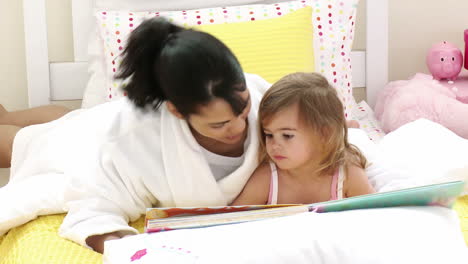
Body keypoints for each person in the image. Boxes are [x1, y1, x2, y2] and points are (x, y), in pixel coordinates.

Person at [232, 72, 375, 206]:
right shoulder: (268, 177)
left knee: (357, 138)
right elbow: (231, 218)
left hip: (341, 142)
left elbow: (376, 216)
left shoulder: (348, 173)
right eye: (269, 135)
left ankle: (352, 128)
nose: (274, 145)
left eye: (287, 135)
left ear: (323, 134)